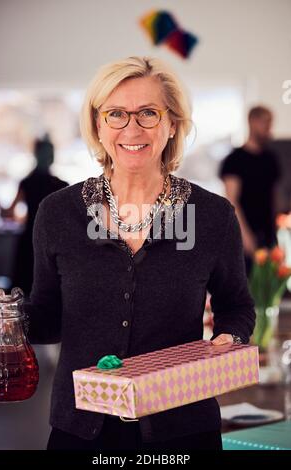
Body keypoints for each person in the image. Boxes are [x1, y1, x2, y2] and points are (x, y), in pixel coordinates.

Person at [24, 56, 255, 450]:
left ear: (172, 124)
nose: (132, 128)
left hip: (183, 429)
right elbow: (47, 321)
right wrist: (7, 319)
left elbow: (237, 306)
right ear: (98, 124)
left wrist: (229, 337)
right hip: (80, 430)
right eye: (116, 114)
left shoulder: (212, 216)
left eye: (148, 113)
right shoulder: (59, 213)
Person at [219, 106, 281, 275]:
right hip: (243, 237)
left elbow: (273, 197)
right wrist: (245, 238)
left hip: (268, 236)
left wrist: (275, 232)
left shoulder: (271, 159)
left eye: (270, 123)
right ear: (252, 122)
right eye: (265, 122)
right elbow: (231, 201)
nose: (269, 128)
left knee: (269, 289)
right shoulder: (234, 160)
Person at [5, 136, 68, 295]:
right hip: (52, 241)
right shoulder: (61, 186)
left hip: (29, 240)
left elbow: (10, 214)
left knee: (23, 293)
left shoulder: (26, 182)